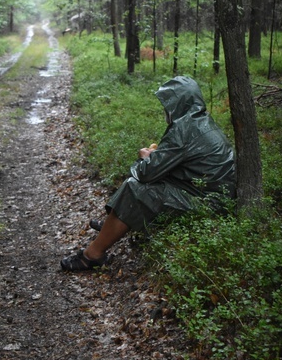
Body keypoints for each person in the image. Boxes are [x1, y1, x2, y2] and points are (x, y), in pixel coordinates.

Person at [60, 76, 235, 272]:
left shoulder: (185, 130)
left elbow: (145, 173)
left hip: (207, 204)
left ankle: (91, 256)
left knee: (135, 187)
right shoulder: (200, 122)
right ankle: (115, 224)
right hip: (212, 197)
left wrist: (144, 156)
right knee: (142, 185)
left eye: (167, 104)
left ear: (177, 104)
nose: (164, 109)